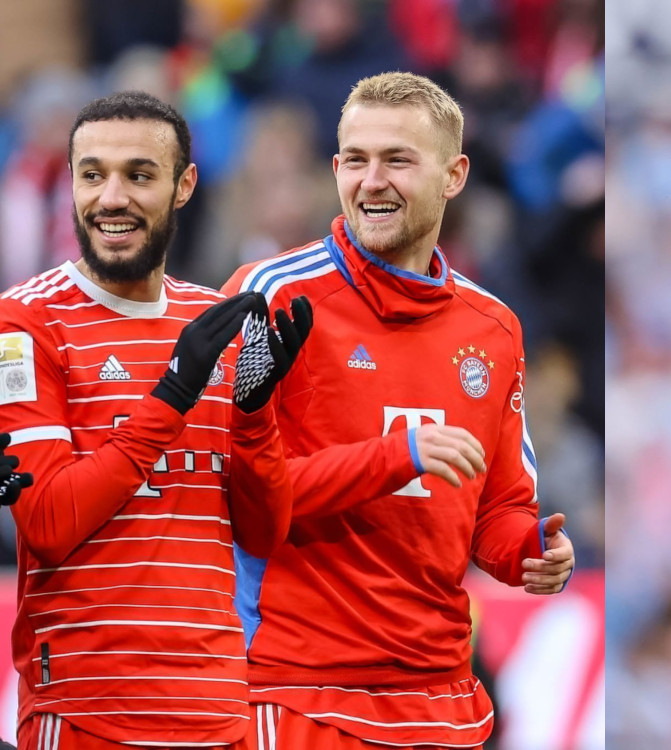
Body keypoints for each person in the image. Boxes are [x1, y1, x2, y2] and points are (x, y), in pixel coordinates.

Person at [220, 72, 575, 750]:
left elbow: (497, 511)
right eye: (356, 160)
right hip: (297, 689)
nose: (371, 181)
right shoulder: (267, 297)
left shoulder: (493, 327)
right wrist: (396, 456)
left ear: (454, 174)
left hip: (439, 695)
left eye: (398, 160)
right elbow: (238, 502)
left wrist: (531, 553)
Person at [0, 91, 312, 749]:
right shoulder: (23, 324)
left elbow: (263, 532)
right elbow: (50, 522)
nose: (111, 197)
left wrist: (254, 418)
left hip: (218, 709)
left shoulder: (216, 322)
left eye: (139, 175)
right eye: (92, 174)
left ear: (183, 185)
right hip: (88, 711)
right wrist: (175, 393)